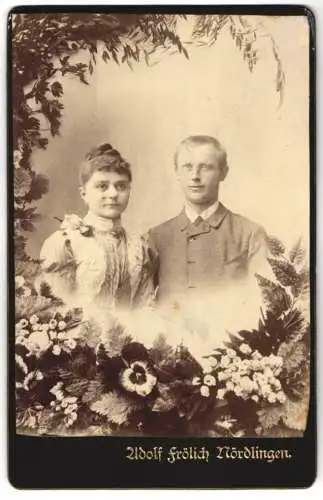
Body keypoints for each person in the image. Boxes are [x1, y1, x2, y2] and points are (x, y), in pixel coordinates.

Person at [149, 135, 269, 311]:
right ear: (176, 172)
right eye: (187, 167)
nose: (195, 176)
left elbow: (264, 306)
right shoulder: (156, 237)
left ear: (223, 172)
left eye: (205, 167)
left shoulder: (251, 234)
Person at [39, 143, 155, 318]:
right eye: (102, 186)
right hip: (77, 340)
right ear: (84, 193)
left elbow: (146, 308)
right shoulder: (65, 243)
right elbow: (55, 313)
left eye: (121, 186)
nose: (113, 194)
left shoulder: (139, 246)